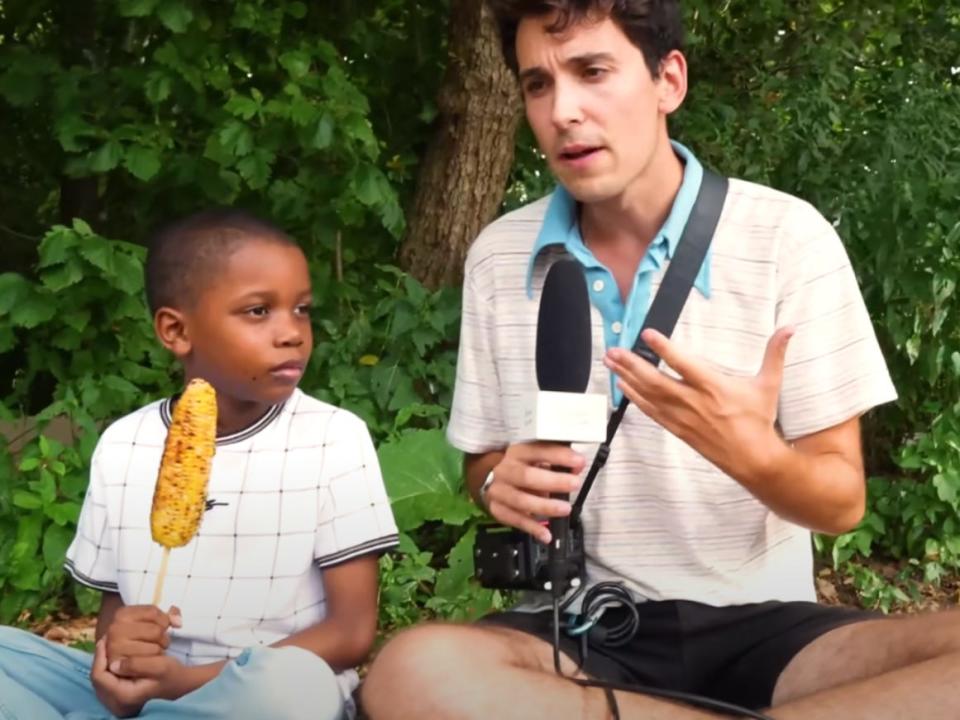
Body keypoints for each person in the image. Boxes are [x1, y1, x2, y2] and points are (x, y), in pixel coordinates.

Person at [362, 2, 960, 719]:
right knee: (412, 672)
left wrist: (755, 456)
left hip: (770, 633)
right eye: (538, 85)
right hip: (576, 633)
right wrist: (495, 481)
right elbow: (483, 462)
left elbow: (840, 502)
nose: (563, 111)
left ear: (668, 80)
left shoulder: (786, 238)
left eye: (591, 72)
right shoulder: (499, 256)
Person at [0, 209, 399, 720]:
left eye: (301, 310)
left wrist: (184, 685)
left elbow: (350, 633)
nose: (292, 333)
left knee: (294, 687)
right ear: (175, 331)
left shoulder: (332, 438)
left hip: (258, 695)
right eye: (259, 312)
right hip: (147, 697)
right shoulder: (124, 446)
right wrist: (116, 666)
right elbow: (114, 626)